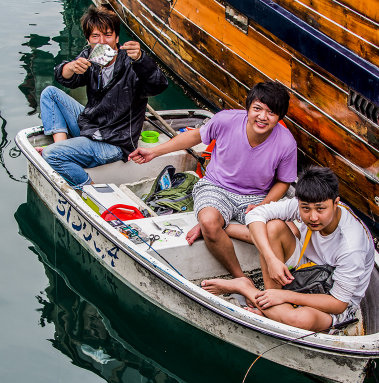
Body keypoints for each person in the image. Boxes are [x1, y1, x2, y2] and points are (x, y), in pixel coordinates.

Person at [129, 81, 297, 278]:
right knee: (210, 222)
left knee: (291, 233)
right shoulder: (226, 120)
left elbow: (284, 182)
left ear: (279, 117)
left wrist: (264, 204)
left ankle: (222, 225)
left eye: (271, 112)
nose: (262, 117)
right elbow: (193, 137)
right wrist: (154, 152)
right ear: (248, 108)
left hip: (256, 197)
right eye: (257, 109)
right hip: (216, 187)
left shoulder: (286, 142)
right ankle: (240, 278)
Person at [201, 167, 375, 331]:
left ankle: (246, 288)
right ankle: (271, 298)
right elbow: (256, 214)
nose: (313, 217)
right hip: (305, 269)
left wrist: (285, 297)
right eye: (305, 208)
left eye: (321, 209)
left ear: (336, 203)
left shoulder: (352, 246)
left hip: (332, 297)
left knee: (301, 320)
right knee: (273, 227)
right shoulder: (304, 205)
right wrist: (271, 259)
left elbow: (339, 303)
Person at [38, 4, 168, 187]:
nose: (102, 41)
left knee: (51, 155)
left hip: (115, 142)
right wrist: (70, 68)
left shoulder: (132, 63)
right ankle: (63, 146)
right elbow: (64, 78)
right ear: (88, 39)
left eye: (107, 35)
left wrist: (141, 59)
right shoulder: (90, 56)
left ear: (116, 38)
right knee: (49, 93)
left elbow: (158, 85)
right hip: (91, 126)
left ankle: (89, 188)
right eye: (95, 36)